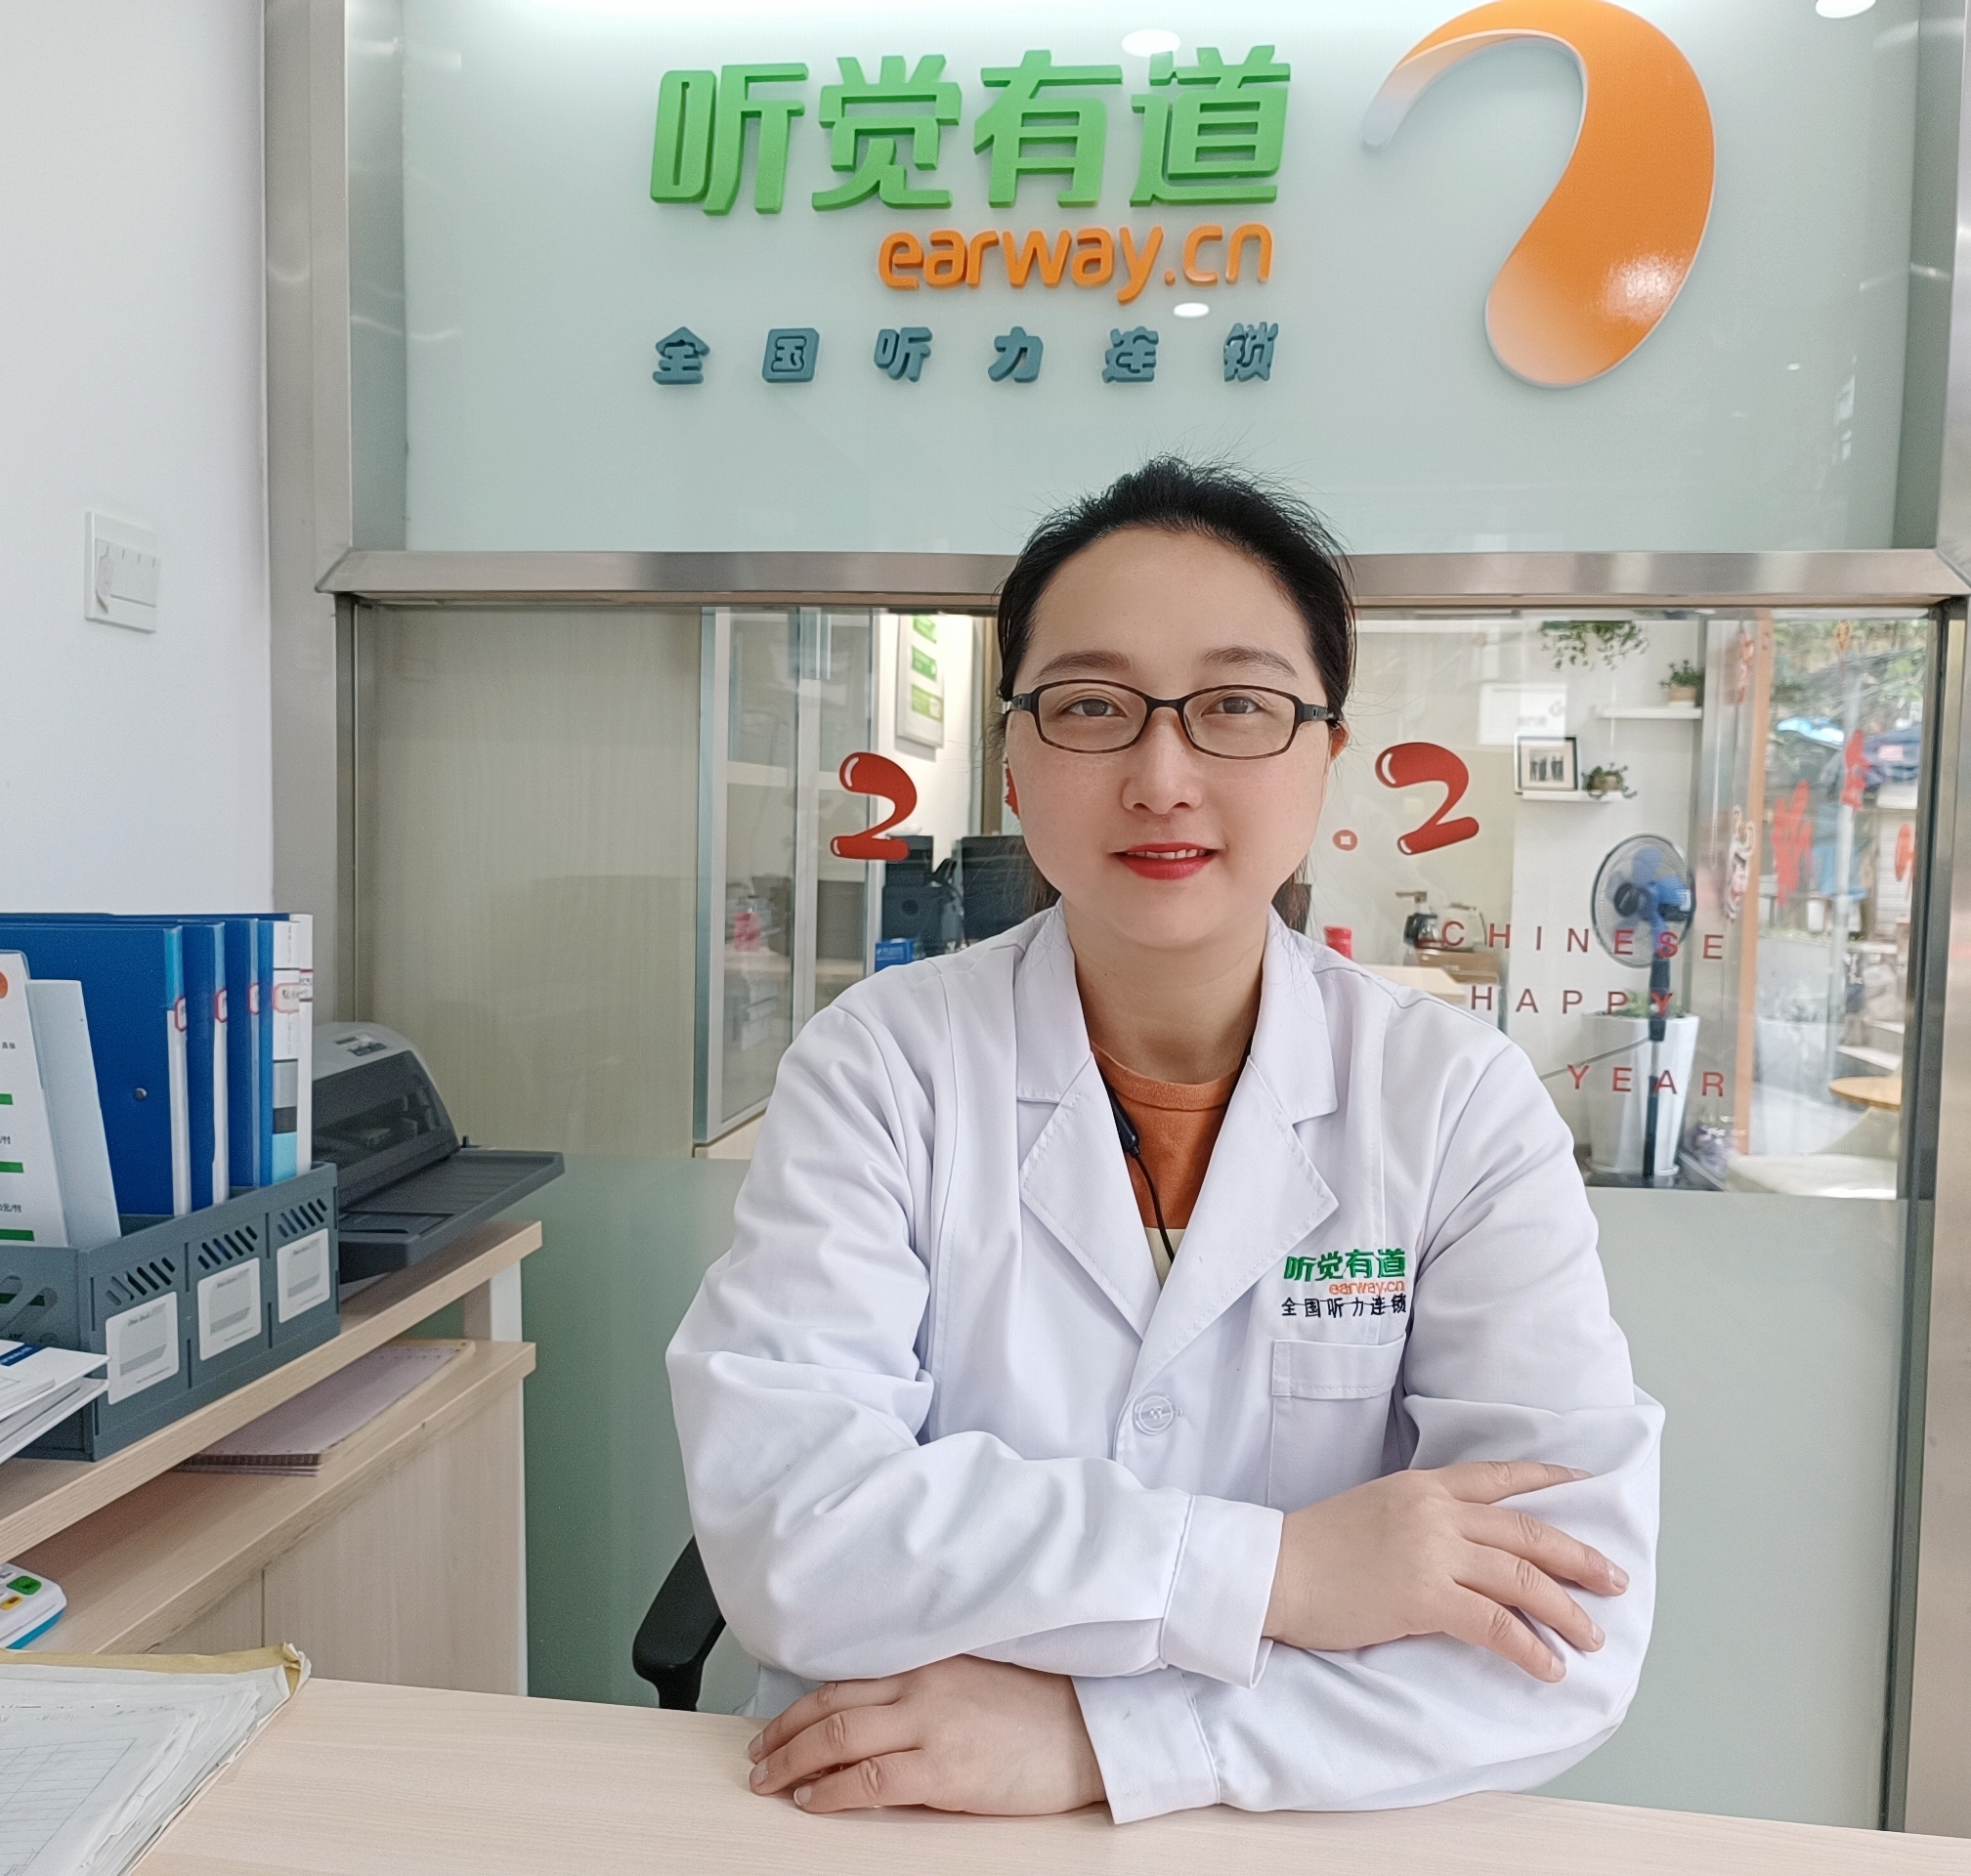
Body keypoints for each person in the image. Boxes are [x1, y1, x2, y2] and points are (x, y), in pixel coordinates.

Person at [666, 458, 1661, 1824]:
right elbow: (798, 1532)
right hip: (901, 1817)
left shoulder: (1453, 1103)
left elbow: (1558, 1632)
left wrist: (1104, 1741)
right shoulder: (883, 1067)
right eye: (1091, 706)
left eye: (1238, 707)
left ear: (1326, 756)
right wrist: (1286, 1576)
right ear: (1014, 762)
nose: (1163, 776)